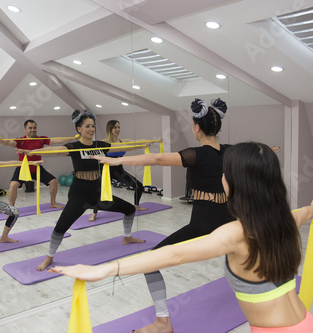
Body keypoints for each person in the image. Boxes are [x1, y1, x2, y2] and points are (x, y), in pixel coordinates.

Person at [50, 142, 313, 333]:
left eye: (224, 175)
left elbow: (175, 254)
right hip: (311, 326)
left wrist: (102, 270)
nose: (221, 179)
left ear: (234, 183)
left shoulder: (237, 234)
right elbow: (305, 212)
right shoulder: (284, 221)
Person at [89, 98, 236, 332]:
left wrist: (113, 160)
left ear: (197, 127)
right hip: (230, 222)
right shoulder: (229, 151)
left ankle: (162, 323)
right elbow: (256, 151)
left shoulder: (196, 154)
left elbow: (157, 159)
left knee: (150, 262)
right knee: (243, 256)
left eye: (192, 124)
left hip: (203, 226)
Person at [17, 110, 147, 272]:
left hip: (97, 193)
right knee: (60, 228)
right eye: (87, 126)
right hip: (79, 194)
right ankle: (49, 257)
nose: (91, 129)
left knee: (128, 209)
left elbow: (122, 145)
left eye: (92, 126)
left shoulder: (100, 145)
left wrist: (144, 144)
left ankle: (127, 238)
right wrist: (32, 152)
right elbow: (55, 150)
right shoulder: (74, 147)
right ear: (79, 129)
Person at [0, 119, 73, 209]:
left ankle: (53, 203)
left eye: (34, 128)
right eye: (30, 128)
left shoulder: (41, 139)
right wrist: (1, 141)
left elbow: (57, 140)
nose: (33, 130)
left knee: (54, 181)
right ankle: (11, 209)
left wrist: (74, 138)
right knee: (13, 185)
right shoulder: (21, 140)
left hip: (37, 168)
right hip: (23, 169)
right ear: (25, 129)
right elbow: (9, 142)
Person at [88, 119, 155, 222]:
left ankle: (136, 205)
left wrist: (152, 141)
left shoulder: (123, 141)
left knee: (138, 186)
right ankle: (94, 214)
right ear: (110, 129)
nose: (117, 129)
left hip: (119, 171)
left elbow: (138, 141)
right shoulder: (104, 142)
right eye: (115, 127)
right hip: (106, 172)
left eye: (119, 127)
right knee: (99, 192)